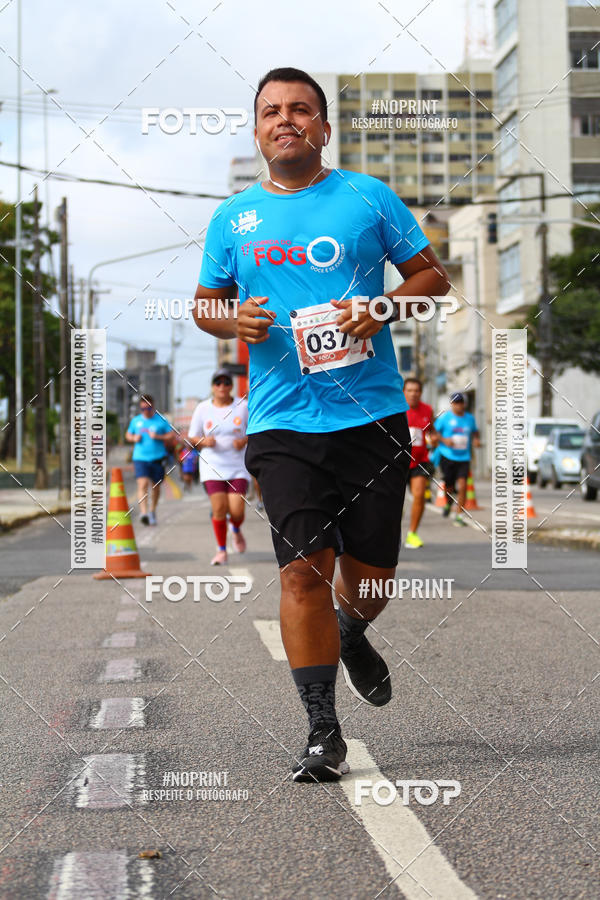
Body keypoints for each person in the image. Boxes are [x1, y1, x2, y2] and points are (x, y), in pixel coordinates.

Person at [193, 67, 450, 782]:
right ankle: (321, 730)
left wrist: (387, 306)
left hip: (372, 415)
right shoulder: (232, 218)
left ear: (322, 128)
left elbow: (434, 277)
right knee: (304, 573)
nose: (286, 120)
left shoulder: (368, 198)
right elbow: (205, 304)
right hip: (281, 421)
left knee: (372, 573)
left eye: (300, 109)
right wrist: (230, 317)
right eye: (272, 111)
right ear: (257, 130)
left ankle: (353, 630)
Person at [188, 369, 250, 565]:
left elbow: (254, 430)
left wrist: (244, 441)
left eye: (226, 382)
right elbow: (193, 436)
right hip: (212, 466)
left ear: (231, 385)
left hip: (237, 465)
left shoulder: (243, 406)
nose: (222, 386)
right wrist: (204, 441)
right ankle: (221, 551)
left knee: (237, 511)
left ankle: (236, 529)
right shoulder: (202, 408)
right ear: (213, 387)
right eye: (218, 383)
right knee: (220, 508)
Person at [125, 394, 172, 526]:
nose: (146, 411)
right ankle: (144, 513)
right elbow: (128, 434)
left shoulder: (161, 420)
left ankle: (152, 511)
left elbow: (171, 435)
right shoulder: (136, 421)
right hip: (140, 458)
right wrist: (133, 438)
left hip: (158, 458)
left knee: (156, 487)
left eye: (149, 408)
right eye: (143, 408)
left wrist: (158, 436)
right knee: (143, 483)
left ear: (153, 407)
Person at [435, 392, 481, 526]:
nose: (458, 405)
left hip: (464, 457)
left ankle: (459, 515)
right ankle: (449, 503)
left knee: (463, 485)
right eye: (455, 402)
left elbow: (475, 431)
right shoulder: (445, 418)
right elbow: (434, 432)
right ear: (451, 404)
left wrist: (476, 440)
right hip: (447, 456)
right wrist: (444, 440)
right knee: (448, 486)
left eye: (460, 402)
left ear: (464, 404)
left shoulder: (469, 419)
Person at [403, 377, 437, 548]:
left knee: (419, 494)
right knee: (394, 501)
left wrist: (435, 438)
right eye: (409, 390)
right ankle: (390, 536)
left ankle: (412, 534)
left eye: (416, 390)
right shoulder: (396, 409)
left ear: (421, 393)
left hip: (420, 461)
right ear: (403, 392)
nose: (413, 394)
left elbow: (432, 431)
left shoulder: (427, 410)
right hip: (398, 462)